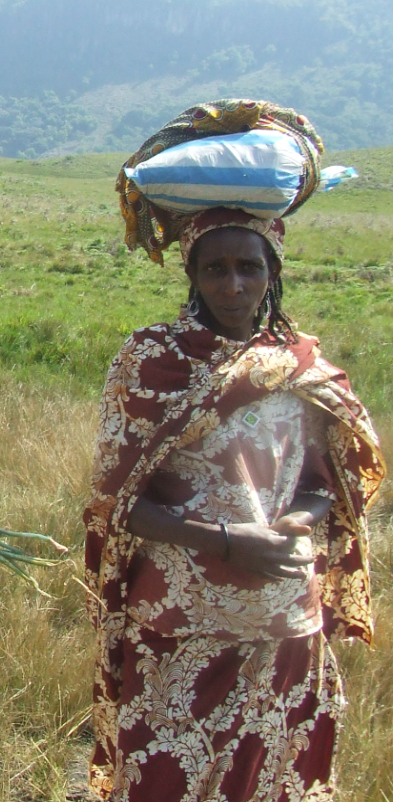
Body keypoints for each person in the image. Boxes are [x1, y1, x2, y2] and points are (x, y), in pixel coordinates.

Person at [84, 102, 385, 801]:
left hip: (283, 622)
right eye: (213, 268)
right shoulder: (151, 360)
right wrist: (224, 542)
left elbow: (325, 482)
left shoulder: (300, 365)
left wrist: (295, 524)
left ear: (271, 269)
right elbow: (121, 504)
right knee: (164, 777)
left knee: (272, 779)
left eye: (247, 267)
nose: (232, 285)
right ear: (190, 272)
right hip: (179, 626)